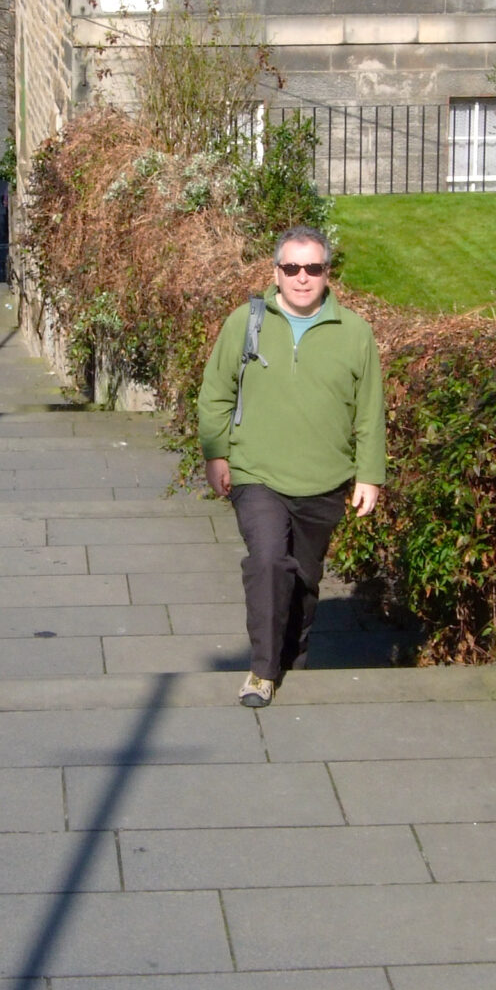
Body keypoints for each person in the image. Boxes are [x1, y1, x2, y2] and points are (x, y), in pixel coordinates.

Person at [194, 224, 386, 708]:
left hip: (323, 479)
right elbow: (215, 392)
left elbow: (369, 411)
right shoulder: (246, 322)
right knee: (266, 562)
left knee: (303, 578)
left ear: (327, 273)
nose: (302, 277)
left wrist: (369, 475)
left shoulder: (356, 333)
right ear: (275, 273)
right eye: (292, 267)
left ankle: (292, 658)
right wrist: (216, 453)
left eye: (313, 268)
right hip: (257, 472)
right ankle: (261, 671)